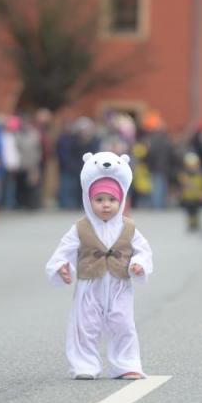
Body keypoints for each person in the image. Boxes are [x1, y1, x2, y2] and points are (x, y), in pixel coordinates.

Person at [44, 151, 153, 380]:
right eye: (99, 200)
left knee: (123, 324)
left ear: (121, 200)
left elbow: (143, 251)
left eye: (112, 200)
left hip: (119, 285)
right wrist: (62, 267)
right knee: (85, 325)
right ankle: (84, 365)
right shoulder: (80, 227)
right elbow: (64, 251)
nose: (106, 206)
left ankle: (126, 364)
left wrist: (139, 264)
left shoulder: (129, 227)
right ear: (88, 199)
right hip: (89, 287)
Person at [177, 152, 202, 232]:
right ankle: (191, 225)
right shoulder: (183, 175)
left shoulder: (201, 174)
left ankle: (196, 224)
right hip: (187, 197)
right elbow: (181, 186)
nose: (192, 168)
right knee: (189, 212)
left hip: (197, 197)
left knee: (196, 211)